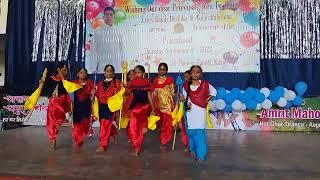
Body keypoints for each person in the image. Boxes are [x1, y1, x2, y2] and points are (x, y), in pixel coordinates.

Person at [181, 65, 217, 162]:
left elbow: (214, 91)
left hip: (200, 112)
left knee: (200, 133)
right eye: (193, 72)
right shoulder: (186, 85)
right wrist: (182, 99)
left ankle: (201, 155)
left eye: (198, 72)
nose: (195, 74)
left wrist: (206, 100)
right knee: (191, 133)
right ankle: (192, 149)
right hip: (190, 113)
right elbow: (184, 98)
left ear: (200, 74)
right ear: (190, 73)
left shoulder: (205, 84)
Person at [40, 62, 71, 150]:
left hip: (61, 102)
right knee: (50, 122)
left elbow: (67, 92)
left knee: (60, 115)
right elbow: (43, 88)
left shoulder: (65, 82)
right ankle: (53, 140)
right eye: (64, 70)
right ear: (59, 69)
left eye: (66, 70)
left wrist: (62, 77)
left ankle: (57, 124)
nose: (66, 72)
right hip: (52, 102)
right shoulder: (51, 79)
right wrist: (41, 83)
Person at [127, 65, 154, 156]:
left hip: (144, 107)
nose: (137, 74)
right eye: (135, 72)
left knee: (141, 127)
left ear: (143, 73)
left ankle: (137, 144)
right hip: (135, 107)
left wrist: (152, 107)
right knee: (133, 127)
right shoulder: (132, 83)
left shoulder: (147, 82)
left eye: (139, 72)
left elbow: (149, 96)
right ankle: (136, 145)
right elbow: (129, 94)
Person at [93, 64, 121, 152]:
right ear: (104, 73)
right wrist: (94, 93)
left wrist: (119, 89)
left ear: (113, 73)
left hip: (110, 107)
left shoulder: (116, 83)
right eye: (107, 71)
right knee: (104, 124)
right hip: (102, 107)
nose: (109, 72)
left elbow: (119, 94)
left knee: (104, 126)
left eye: (111, 71)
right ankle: (114, 132)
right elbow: (98, 95)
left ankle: (103, 144)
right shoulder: (100, 83)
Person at [90, 7, 124, 73]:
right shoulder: (97, 31)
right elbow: (93, 50)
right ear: (103, 17)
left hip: (116, 66)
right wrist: (93, 68)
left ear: (114, 17)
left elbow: (121, 48)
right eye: (107, 14)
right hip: (103, 66)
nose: (109, 16)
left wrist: (123, 65)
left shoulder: (118, 30)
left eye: (111, 14)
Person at [152, 63, 174, 149]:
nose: (162, 71)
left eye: (164, 69)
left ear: (167, 71)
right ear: (158, 70)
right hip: (158, 105)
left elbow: (172, 93)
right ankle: (163, 137)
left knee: (166, 123)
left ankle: (164, 139)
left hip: (167, 105)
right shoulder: (155, 80)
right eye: (160, 69)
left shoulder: (170, 80)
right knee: (160, 123)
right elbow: (153, 92)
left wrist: (171, 104)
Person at [72, 68, 94, 151]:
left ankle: (83, 134)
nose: (83, 74)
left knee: (85, 123)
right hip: (77, 106)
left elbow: (92, 94)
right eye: (81, 72)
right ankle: (78, 140)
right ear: (78, 74)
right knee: (76, 124)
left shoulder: (90, 82)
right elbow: (69, 92)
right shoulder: (73, 83)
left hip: (86, 106)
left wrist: (93, 92)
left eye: (84, 73)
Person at [180, 70, 191, 152]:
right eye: (184, 77)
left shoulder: (195, 86)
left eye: (187, 77)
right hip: (185, 108)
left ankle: (192, 144)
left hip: (193, 109)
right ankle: (187, 144)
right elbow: (182, 97)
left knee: (191, 127)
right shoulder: (183, 85)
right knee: (185, 127)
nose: (185, 78)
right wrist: (180, 98)